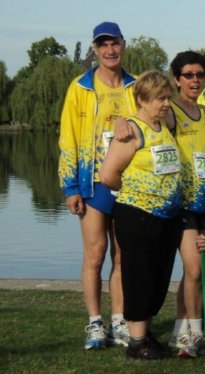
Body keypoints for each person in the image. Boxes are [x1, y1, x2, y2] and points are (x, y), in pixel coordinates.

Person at [58, 21, 135, 350]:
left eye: (114, 43)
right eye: (103, 45)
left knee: (123, 253)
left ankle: (119, 321)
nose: (109, 50)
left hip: (128, 181)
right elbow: (68, 140)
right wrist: (70, 187)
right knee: (95, 253)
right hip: (92, 183)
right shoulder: (81, 87)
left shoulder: (135, 87)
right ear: (95, 49)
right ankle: (94, 323)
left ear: (123, 44)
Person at [100, 71, 182, 360]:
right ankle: (136, 343)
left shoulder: (164, 124)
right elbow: (108, 175)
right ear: (142, 100)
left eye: (168, 97)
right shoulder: (131, 132)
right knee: (139, 275)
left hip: (166, 216)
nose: (166, 103)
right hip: (138, 215)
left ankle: (145, 334)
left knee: (158, 277)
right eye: (160, 98)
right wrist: (135, 191)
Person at [163, 51, 205, 358]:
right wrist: (123, 124)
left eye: (200, 75)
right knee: (194, 269)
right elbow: (145, 120)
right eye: (188, 75)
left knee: (193, 273)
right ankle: (195, 335)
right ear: (176, 79)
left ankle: (178, 332)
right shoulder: (170, 110)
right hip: (183, 205)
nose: (195, 80)